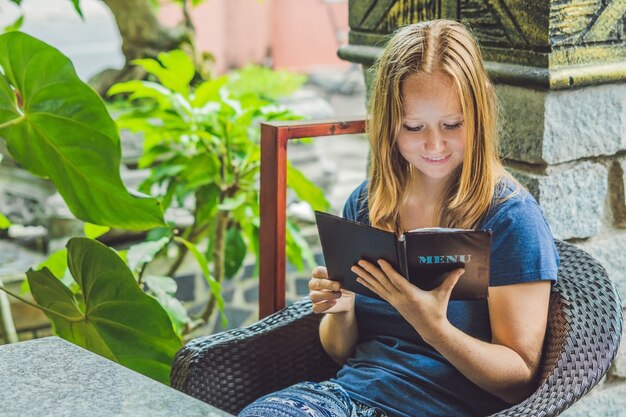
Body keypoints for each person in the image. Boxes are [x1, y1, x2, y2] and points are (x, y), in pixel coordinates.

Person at [239, 19, 559, 417]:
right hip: (344, 397)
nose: (434, 145)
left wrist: (434, 327)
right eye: (413, 126)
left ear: (477, 116)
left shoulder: (510, 219)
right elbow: (341, 352)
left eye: (452, 124)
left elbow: (520, 380)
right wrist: (341, 310)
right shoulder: (368, 204)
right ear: (390, 124)